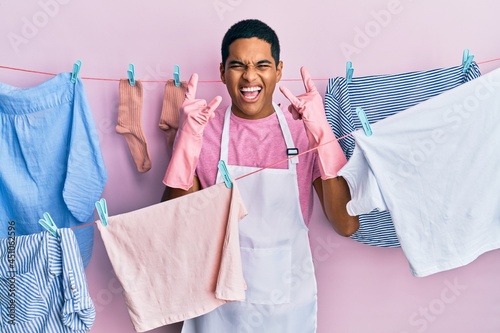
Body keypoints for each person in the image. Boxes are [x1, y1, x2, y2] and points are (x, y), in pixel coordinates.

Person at [161, 18, 359, 333]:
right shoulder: (203, 131)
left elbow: (346, 224)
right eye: (238, 65)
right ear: (222, 71)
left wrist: (324, 135)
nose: (250, 76)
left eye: (262, 65)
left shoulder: (302, 131)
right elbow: (174, 228)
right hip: (216, 311)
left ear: (279, 70)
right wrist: (186, 143)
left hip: (286, 309)